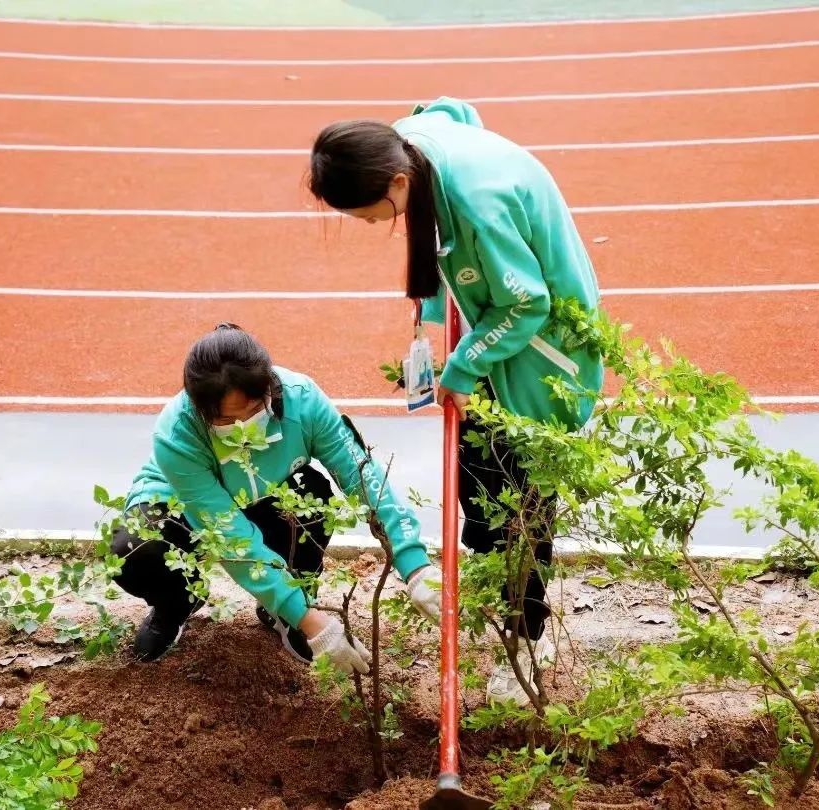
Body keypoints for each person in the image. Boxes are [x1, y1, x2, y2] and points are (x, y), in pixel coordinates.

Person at [308, 97, 604, 704]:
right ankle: (501, 591)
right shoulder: (410, 140)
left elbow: (527, 303)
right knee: (480, 485)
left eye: (371, 216)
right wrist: (446, 310)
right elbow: (453, 111)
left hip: (542, 351)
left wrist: (465, 365)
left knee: (520, 494)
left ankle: (529, 636)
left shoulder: (476, 202)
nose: (373, 227)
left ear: (397, 179)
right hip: (493, 332)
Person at [113, 324, 441, 668]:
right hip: (184, 506)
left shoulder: (304, 401)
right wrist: (315, 625)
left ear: (269, 387)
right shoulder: (177, 433)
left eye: (254, 408)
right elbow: (229, 536)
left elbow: (361, 475)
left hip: (268, 495)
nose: (244, 424)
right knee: (133, 550)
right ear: (201, 410)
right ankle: (178, 602)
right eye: (227, 418)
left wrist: (413, 563)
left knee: (312, 496)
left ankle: (289, 607)